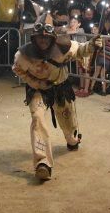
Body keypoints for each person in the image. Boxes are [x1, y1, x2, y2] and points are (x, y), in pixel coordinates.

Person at [12, 13, 100, 181]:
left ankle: (72, 140)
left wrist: (93, 44)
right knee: (37, 119)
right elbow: (17, 69)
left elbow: (82, 49)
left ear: (53, 37)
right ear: (34, 38)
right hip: (38, 91)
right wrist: (36, 83)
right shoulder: (23, 55)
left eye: (46, 38)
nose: (43, 41)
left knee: (69, 124)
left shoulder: (64, 47)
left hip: (61, 87)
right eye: (39, 38)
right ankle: (42, 163)